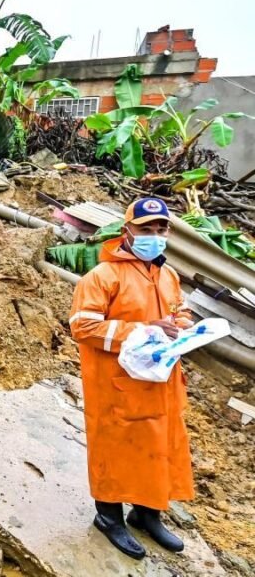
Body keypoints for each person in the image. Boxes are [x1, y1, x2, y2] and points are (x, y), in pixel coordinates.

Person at [69, 197, 193, 561]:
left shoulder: (168, 275)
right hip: (116, 386)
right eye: (145, 229)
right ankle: (109, 517)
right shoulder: (102, 277)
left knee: (157, 448)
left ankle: (147, 513)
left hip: (160, 383)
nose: (154, 236)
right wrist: (143, 330)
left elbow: (180, 312)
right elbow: (83, 326)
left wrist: (184, 327)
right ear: (127, 231)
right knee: (114, 449)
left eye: (160, 229)